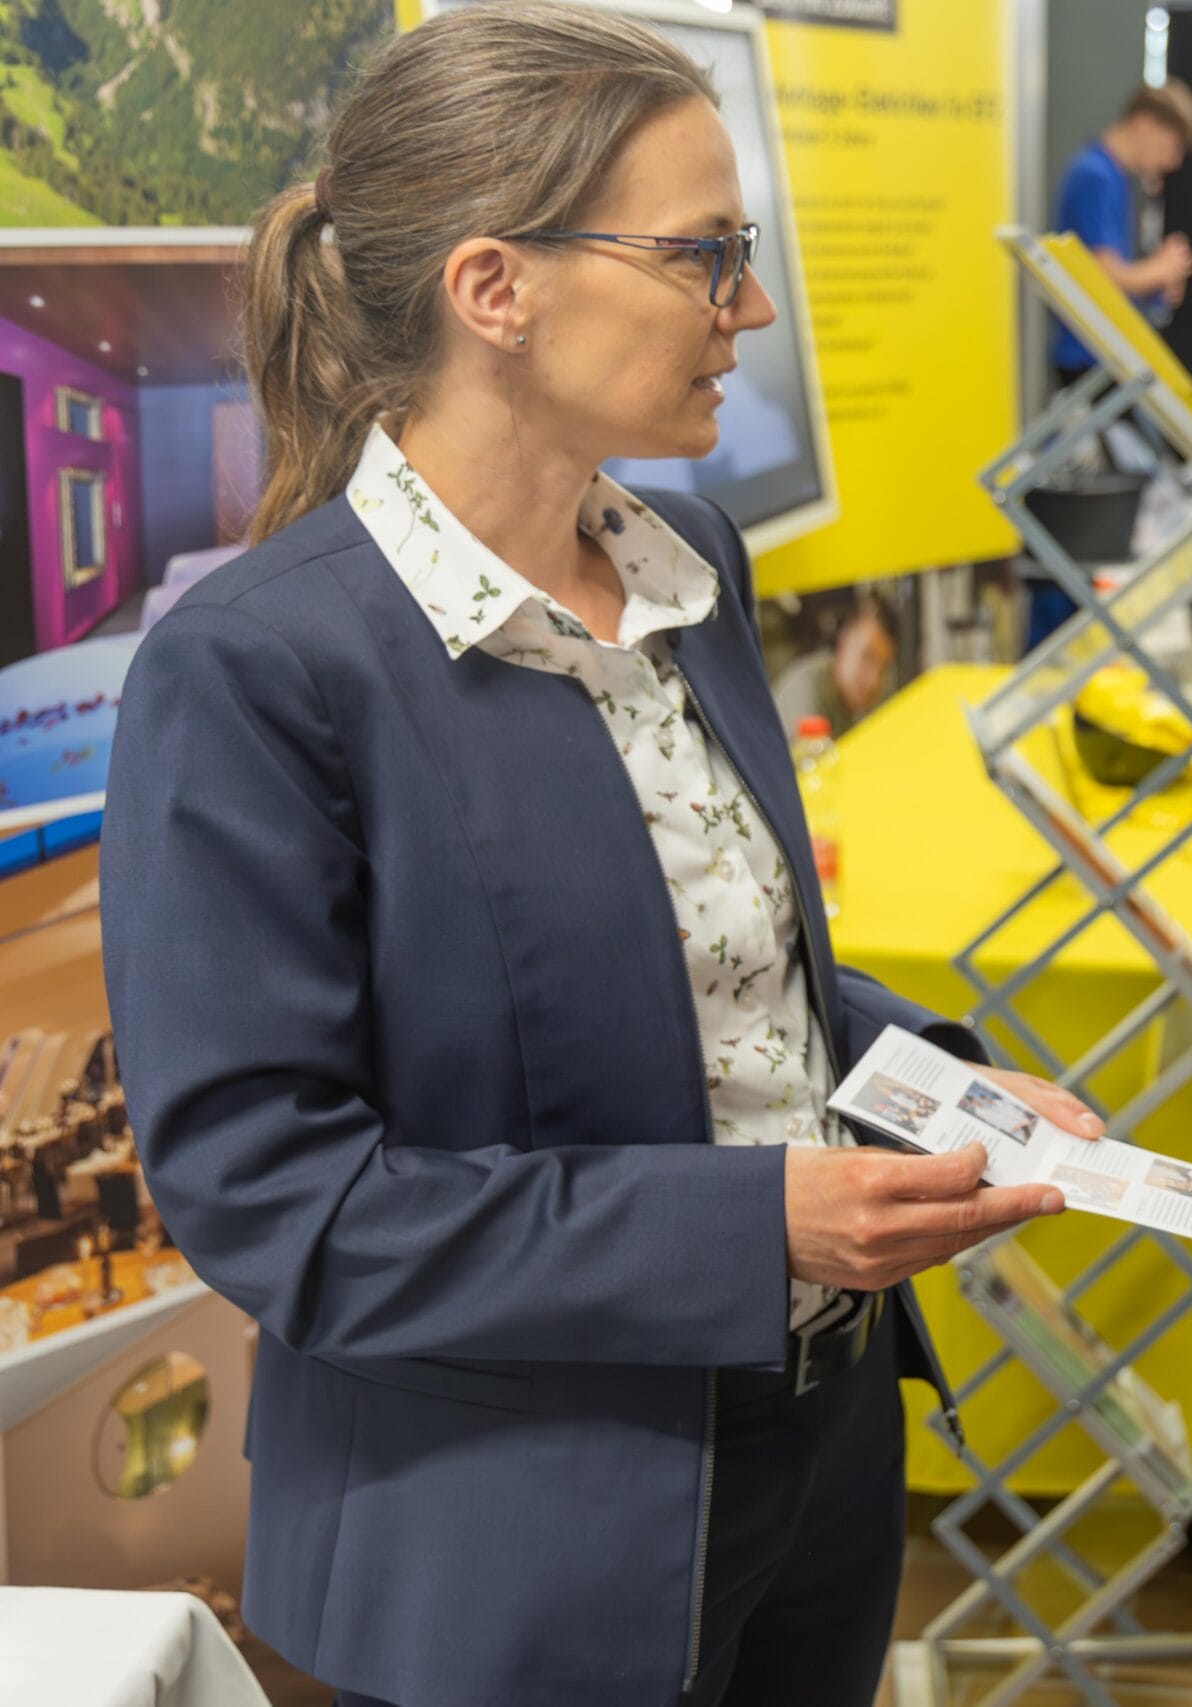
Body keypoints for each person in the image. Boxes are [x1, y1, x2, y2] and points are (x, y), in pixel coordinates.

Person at [97, 9, 1103, 1705]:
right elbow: (280, 1202)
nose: (750, 310)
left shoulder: (687, 558)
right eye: (705, 255)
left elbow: (722, 972)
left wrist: (940, 1086)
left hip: (816, 1461)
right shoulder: (260, 667)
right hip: (512, 1542)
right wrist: (754, 1228)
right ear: (496, 288)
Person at [1049, 80, 1192, 394]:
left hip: (1101, 353)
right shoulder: (1096, 176)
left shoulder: (1113, 177)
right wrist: (1162, 269)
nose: (1172, 162)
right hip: (1091, 357)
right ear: (1144, 124)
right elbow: (1106, 277)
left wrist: (1156, 278)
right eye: (1170, 147)